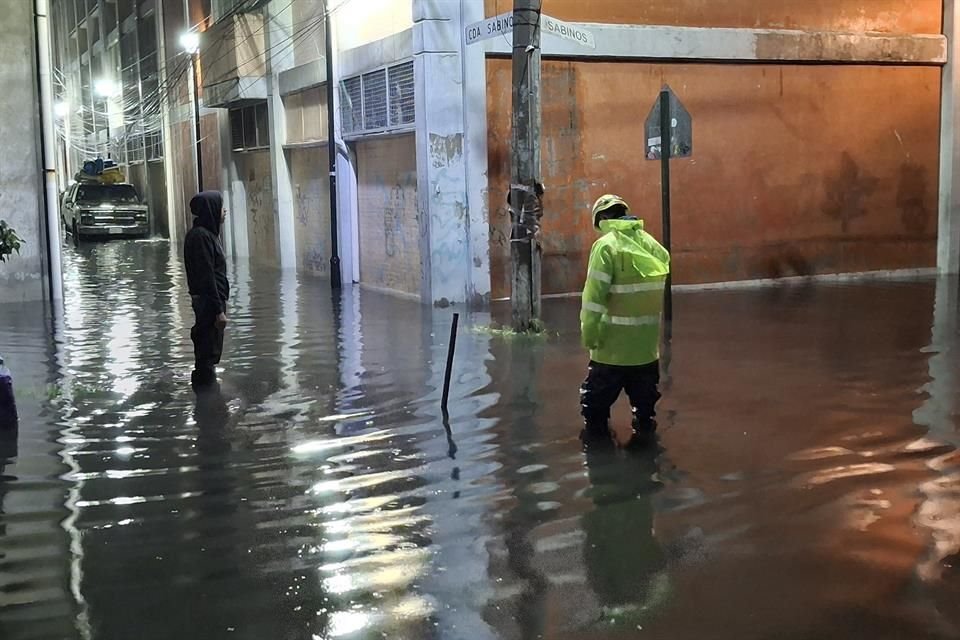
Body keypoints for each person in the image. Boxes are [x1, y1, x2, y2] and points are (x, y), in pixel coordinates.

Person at [580, 194, 670, 448]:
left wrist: (590, 337)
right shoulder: (651, 245)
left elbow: (593, 301)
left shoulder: (605, 246)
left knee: (594, 415)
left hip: (610, 354)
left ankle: (603, 472)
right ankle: (647, 469)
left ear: (601, 220)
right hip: (646, 353)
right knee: (645, 418)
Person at [184, 191, 229, 389]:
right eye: (221, 207)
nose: (224, 211)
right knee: (207, 349)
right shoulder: (201, 237)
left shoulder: (205, 235)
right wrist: (218, 310)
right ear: (211, 210)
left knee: (210, 348)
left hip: (210, 300)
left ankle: (208, 398)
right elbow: (206, 275)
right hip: (209, 302)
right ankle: (206, 400)